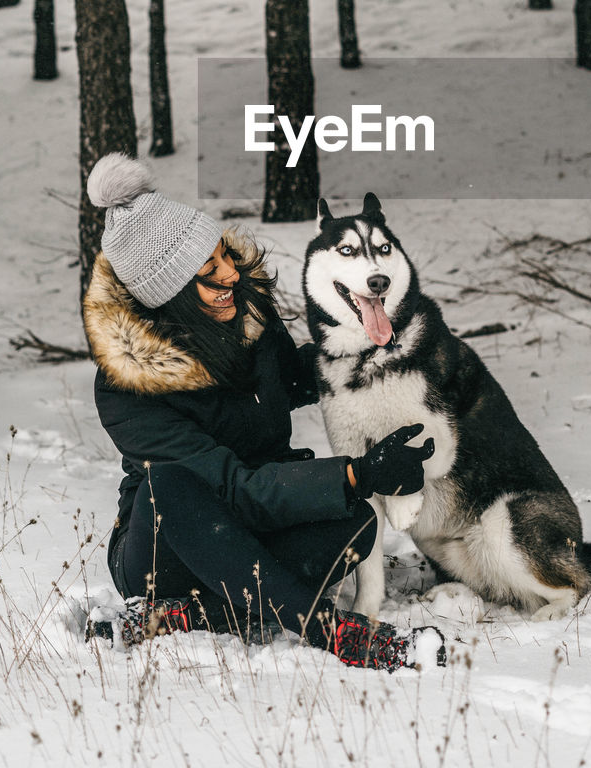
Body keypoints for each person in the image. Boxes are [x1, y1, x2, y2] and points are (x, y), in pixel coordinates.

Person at [82, 153, 441, 671]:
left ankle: (191, 615)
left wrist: (356, 347)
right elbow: (234, 489)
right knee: (173, 485)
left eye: (223, 254)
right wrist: (357, 473)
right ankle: (334, 634)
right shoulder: (126, 388)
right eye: (210, 271)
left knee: (358, 523)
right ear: (172, 297)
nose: (231, 271)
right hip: (169, 549)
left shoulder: (241, 313)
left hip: (254, 520)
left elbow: (287, 379)